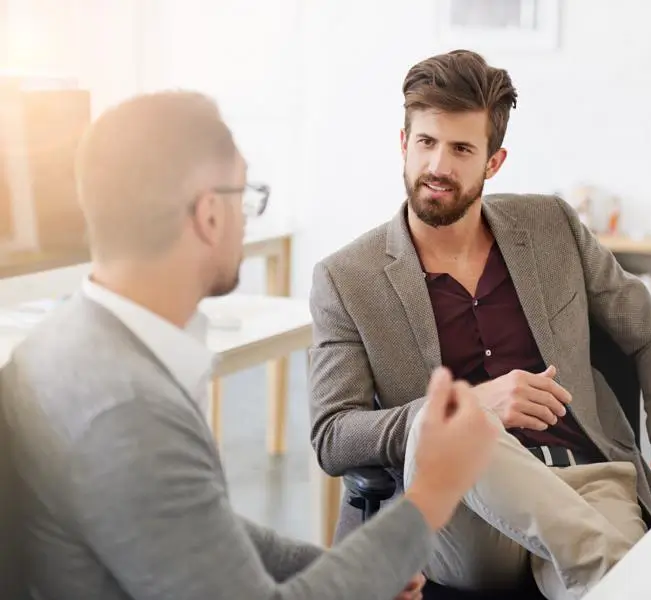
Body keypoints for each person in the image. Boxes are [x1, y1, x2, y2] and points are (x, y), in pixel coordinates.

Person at [0, 91, 500, 600]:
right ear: (210, 215)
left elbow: (202, 526)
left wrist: (353, 568)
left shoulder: (60, 344)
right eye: (245, 195)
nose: (247, 217)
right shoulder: (129, 412)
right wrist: (433, 491)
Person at [308, 50, 651, 599]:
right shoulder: (347, 277)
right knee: (466, 429)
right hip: (459, 512)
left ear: (493, 162)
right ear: (404, 144)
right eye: (427, 143)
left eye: (461, 149)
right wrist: (472, 406)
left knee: (601, 578)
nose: (438, 166)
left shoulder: (550, 227)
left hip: (586, 484)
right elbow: (332, 435)